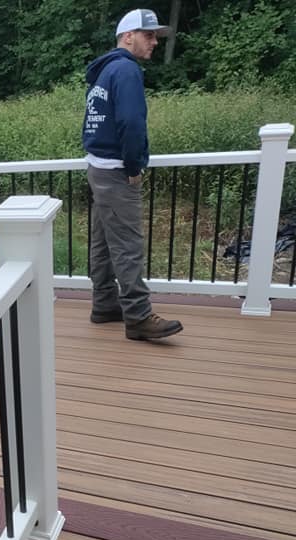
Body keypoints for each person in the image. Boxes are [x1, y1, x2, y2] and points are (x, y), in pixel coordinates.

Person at [82, 8, 183, 340]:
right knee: (128, 244)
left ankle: (105, 304)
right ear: (128, 37)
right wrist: (134, 166)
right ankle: (138, 316)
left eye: (155, 36)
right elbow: (131, 123)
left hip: (97, 166)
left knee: (102, 241)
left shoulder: (103, 71)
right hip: (115, 171)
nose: (154, 41)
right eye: (149, 35)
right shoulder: (126, 71)